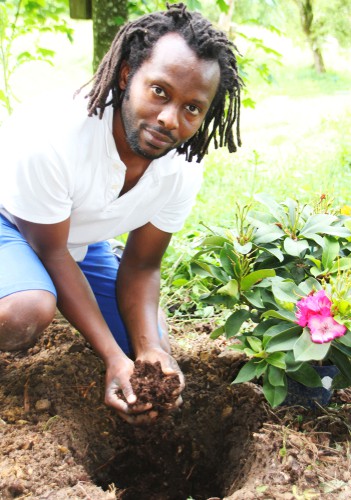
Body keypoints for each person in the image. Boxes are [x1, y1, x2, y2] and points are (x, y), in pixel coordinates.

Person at [0, 3, 241, 424]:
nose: (170, 119)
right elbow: (52, 253)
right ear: (128, 75)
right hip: (13, 219)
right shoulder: (56, 135)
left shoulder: (182, 166)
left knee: (147, 343)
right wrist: (111, 356)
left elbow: (143, 264)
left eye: (192, 108)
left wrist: (151, 352)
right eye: (160, 91)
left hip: (73, 235)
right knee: (25, 312)